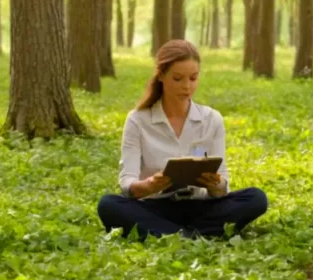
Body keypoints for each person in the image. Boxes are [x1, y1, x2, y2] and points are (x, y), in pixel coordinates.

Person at [97, 39, 268, 240]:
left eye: (193, 78)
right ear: (161, 75)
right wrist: (150, 185)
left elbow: (223, 186)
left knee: (256, 198)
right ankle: (195, 235)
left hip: (202, 206)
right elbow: (127, 182)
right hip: (157, 206)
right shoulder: (138, 120)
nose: (187, 86)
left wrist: (216, 185)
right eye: (178, 79)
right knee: (108, 205)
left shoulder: (211, 119)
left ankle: (171, 235)